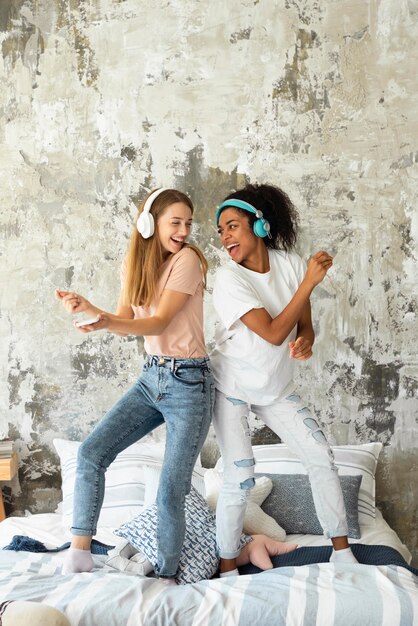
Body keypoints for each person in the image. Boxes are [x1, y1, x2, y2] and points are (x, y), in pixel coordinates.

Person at [55, 188, 214, 585]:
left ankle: (166, 577)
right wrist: (91, 310)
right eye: (174, 222)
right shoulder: (136, 266)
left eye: (187, 223)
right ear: (150, 224)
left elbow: (157, 323)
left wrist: (105, 321)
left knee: (169, 490)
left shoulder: (188, 261)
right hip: (152, 377)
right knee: (92, 453)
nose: (183, 230)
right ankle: (79, 554)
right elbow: (125, 318)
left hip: (188, 383)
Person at [211, 183, 357, 578]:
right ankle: (226, 568)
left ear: (259, 225)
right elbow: (275, 332)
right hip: (232, 389)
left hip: (276, 389)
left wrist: (306, 343)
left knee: (320, 457)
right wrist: (309, 282)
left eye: (232, 226)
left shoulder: (290, 264)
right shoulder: (227, 279)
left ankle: (341, 552)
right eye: (220, 230)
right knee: (240, 477)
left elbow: (301, 328)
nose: (224, 237)